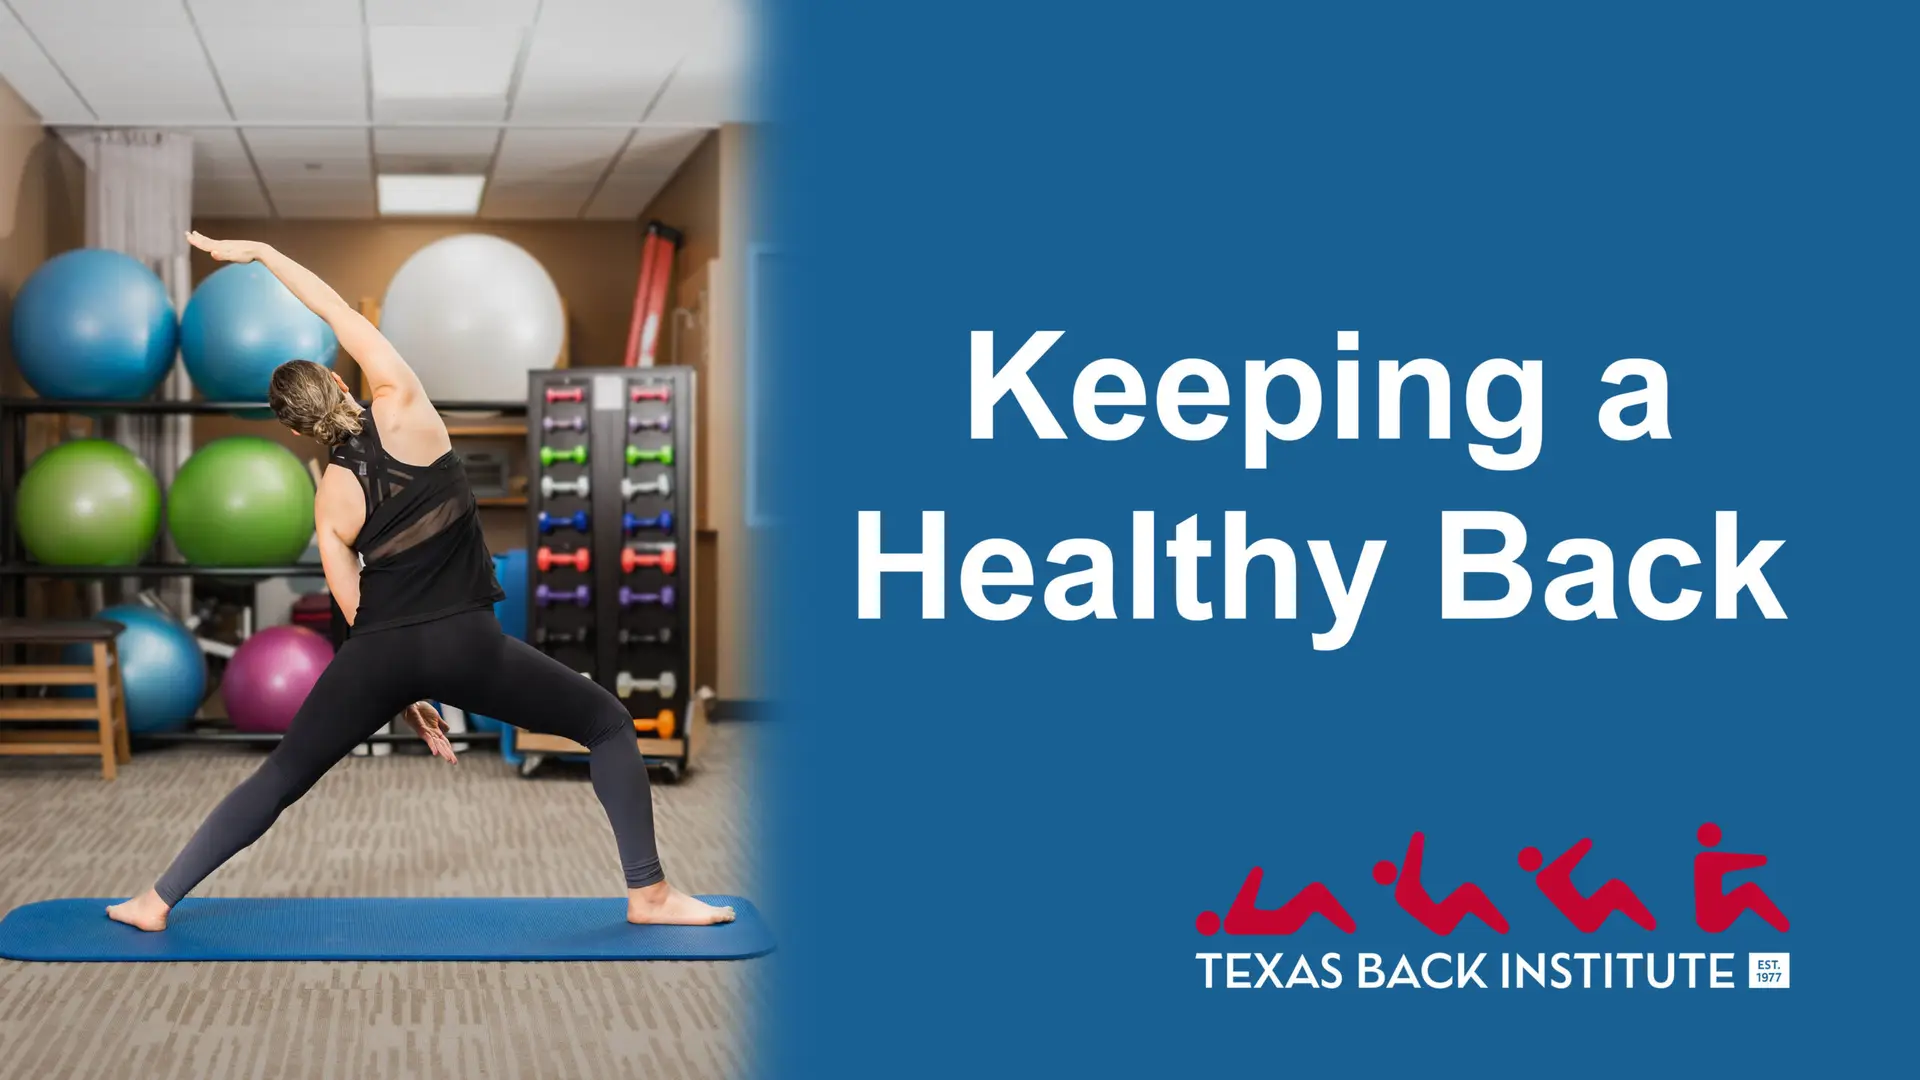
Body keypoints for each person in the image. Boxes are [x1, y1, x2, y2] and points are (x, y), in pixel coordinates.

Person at [106, 232, 732, 932]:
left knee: (281, 777)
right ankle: (648, 894)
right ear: (340, 384)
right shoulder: (406, 403)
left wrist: (403, 693)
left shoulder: (330, 495)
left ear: (298, 430)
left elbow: (357, 608)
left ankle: (154, 901)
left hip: (378, 657)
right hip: (468, 647)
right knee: (608, 724)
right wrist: (264, 255)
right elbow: (338, 309)